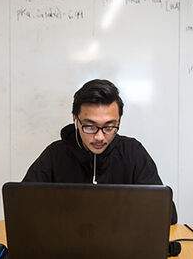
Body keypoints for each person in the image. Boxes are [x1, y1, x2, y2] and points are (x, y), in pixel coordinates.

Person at [23, 79, 178, 224]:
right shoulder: (55, 154)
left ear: (119, 121)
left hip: (120, 244)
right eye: (89, 126)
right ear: (75, 119)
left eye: (109, 127)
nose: (99, 137)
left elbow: (166, 214)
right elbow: (23, 206)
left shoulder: (133, 152)